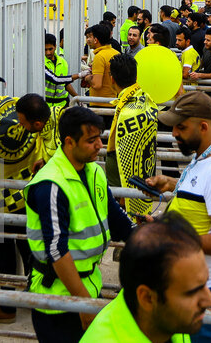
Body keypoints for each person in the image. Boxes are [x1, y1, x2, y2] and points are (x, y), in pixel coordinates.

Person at [25, 106, 135, 342]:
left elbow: (117, 219)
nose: (100, 146)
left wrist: (149, 239)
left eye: (100, 139)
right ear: (69, 142)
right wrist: (83, 304)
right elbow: (57, 250)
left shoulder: (94, 171)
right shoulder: (50, 184)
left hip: (88, 286)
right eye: (91, 140)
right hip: (58, 300)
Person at [147, 92, 211, 343]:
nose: (174, 134)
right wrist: (171, 183)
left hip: (206, 289)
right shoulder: (204, 155)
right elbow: (200, 194)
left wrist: (169, 236)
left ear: (203, 127)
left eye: (181, 127)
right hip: (189, 284)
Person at [0, 86, 56, 322]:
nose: (19, 124)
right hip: (27, 191)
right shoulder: (44, 121)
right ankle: (36, 293)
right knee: (27, 245)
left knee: (6, 249)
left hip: (1, 196)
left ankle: (7, 307)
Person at [83, 212, 211, 343]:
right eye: (192, 292)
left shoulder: (167, 323)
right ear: (147, 298)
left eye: (205, 283)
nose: (210, 301)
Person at [108, 54, 159, 213]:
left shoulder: (127, 111)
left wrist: (124, 194)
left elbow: (126, 156)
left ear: (112, 79)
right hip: (145, 169)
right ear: (136, 76)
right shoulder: (144, 98)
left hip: (122, 173)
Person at [45, 33, 80, 116]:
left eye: (50, 49)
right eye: (45, 50)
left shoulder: (62, 62)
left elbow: (65, 83)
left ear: (55, 46)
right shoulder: (41, 62)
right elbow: (55, 79)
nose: (48, 52)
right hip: (46, 106)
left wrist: (78, 98)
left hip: (62, 105)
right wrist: (78, 75)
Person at [83, 23, 118, 103]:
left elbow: (97, 85)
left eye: (91, 37)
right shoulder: (116, 53)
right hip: (113, 101)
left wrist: (88, 78)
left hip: (100, 103)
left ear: (96, 40)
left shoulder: (99, 57)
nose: (88, 40)